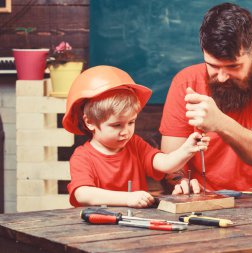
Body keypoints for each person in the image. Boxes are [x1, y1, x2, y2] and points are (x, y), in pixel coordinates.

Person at [159, 2, 252, 194]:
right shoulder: (184, 83)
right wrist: (180, 182)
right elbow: (170, 164)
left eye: (233, 66)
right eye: (213, 66)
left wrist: (219, 122)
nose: (222, 78)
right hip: (202, 203)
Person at [62, 65, 209, 208]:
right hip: (98, 229)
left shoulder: (135, 144)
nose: (126, 131)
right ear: (90, 122)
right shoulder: (83, 157)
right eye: (116, 125)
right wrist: (128, 198)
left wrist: (187, 149)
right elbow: (82, 194)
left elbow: (165, 164)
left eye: (131, 122)